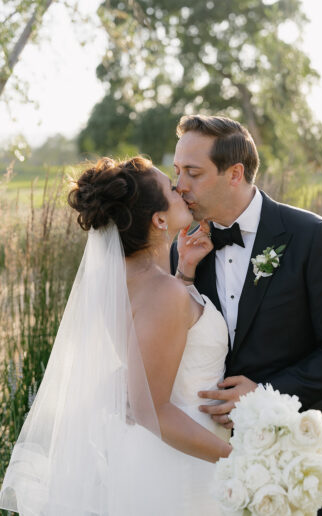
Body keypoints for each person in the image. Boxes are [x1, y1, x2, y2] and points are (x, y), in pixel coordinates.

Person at [0, 156, 232, 516]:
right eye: (172, 188)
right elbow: (151, 408)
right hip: (184, 460)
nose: (181, 188)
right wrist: (240, 459)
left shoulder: (120, 281)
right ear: (158, 220)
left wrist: (185, 271)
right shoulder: (162, 292)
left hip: (151, 452)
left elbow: (155, 347)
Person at [171, 114, 322, 516]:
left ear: (235, 173)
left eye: (193, 172)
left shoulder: (312, 236)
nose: (179, 186)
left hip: (298, 448)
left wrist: (264, 393)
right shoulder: (182, 249)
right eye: (176, 171)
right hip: (212, 458)